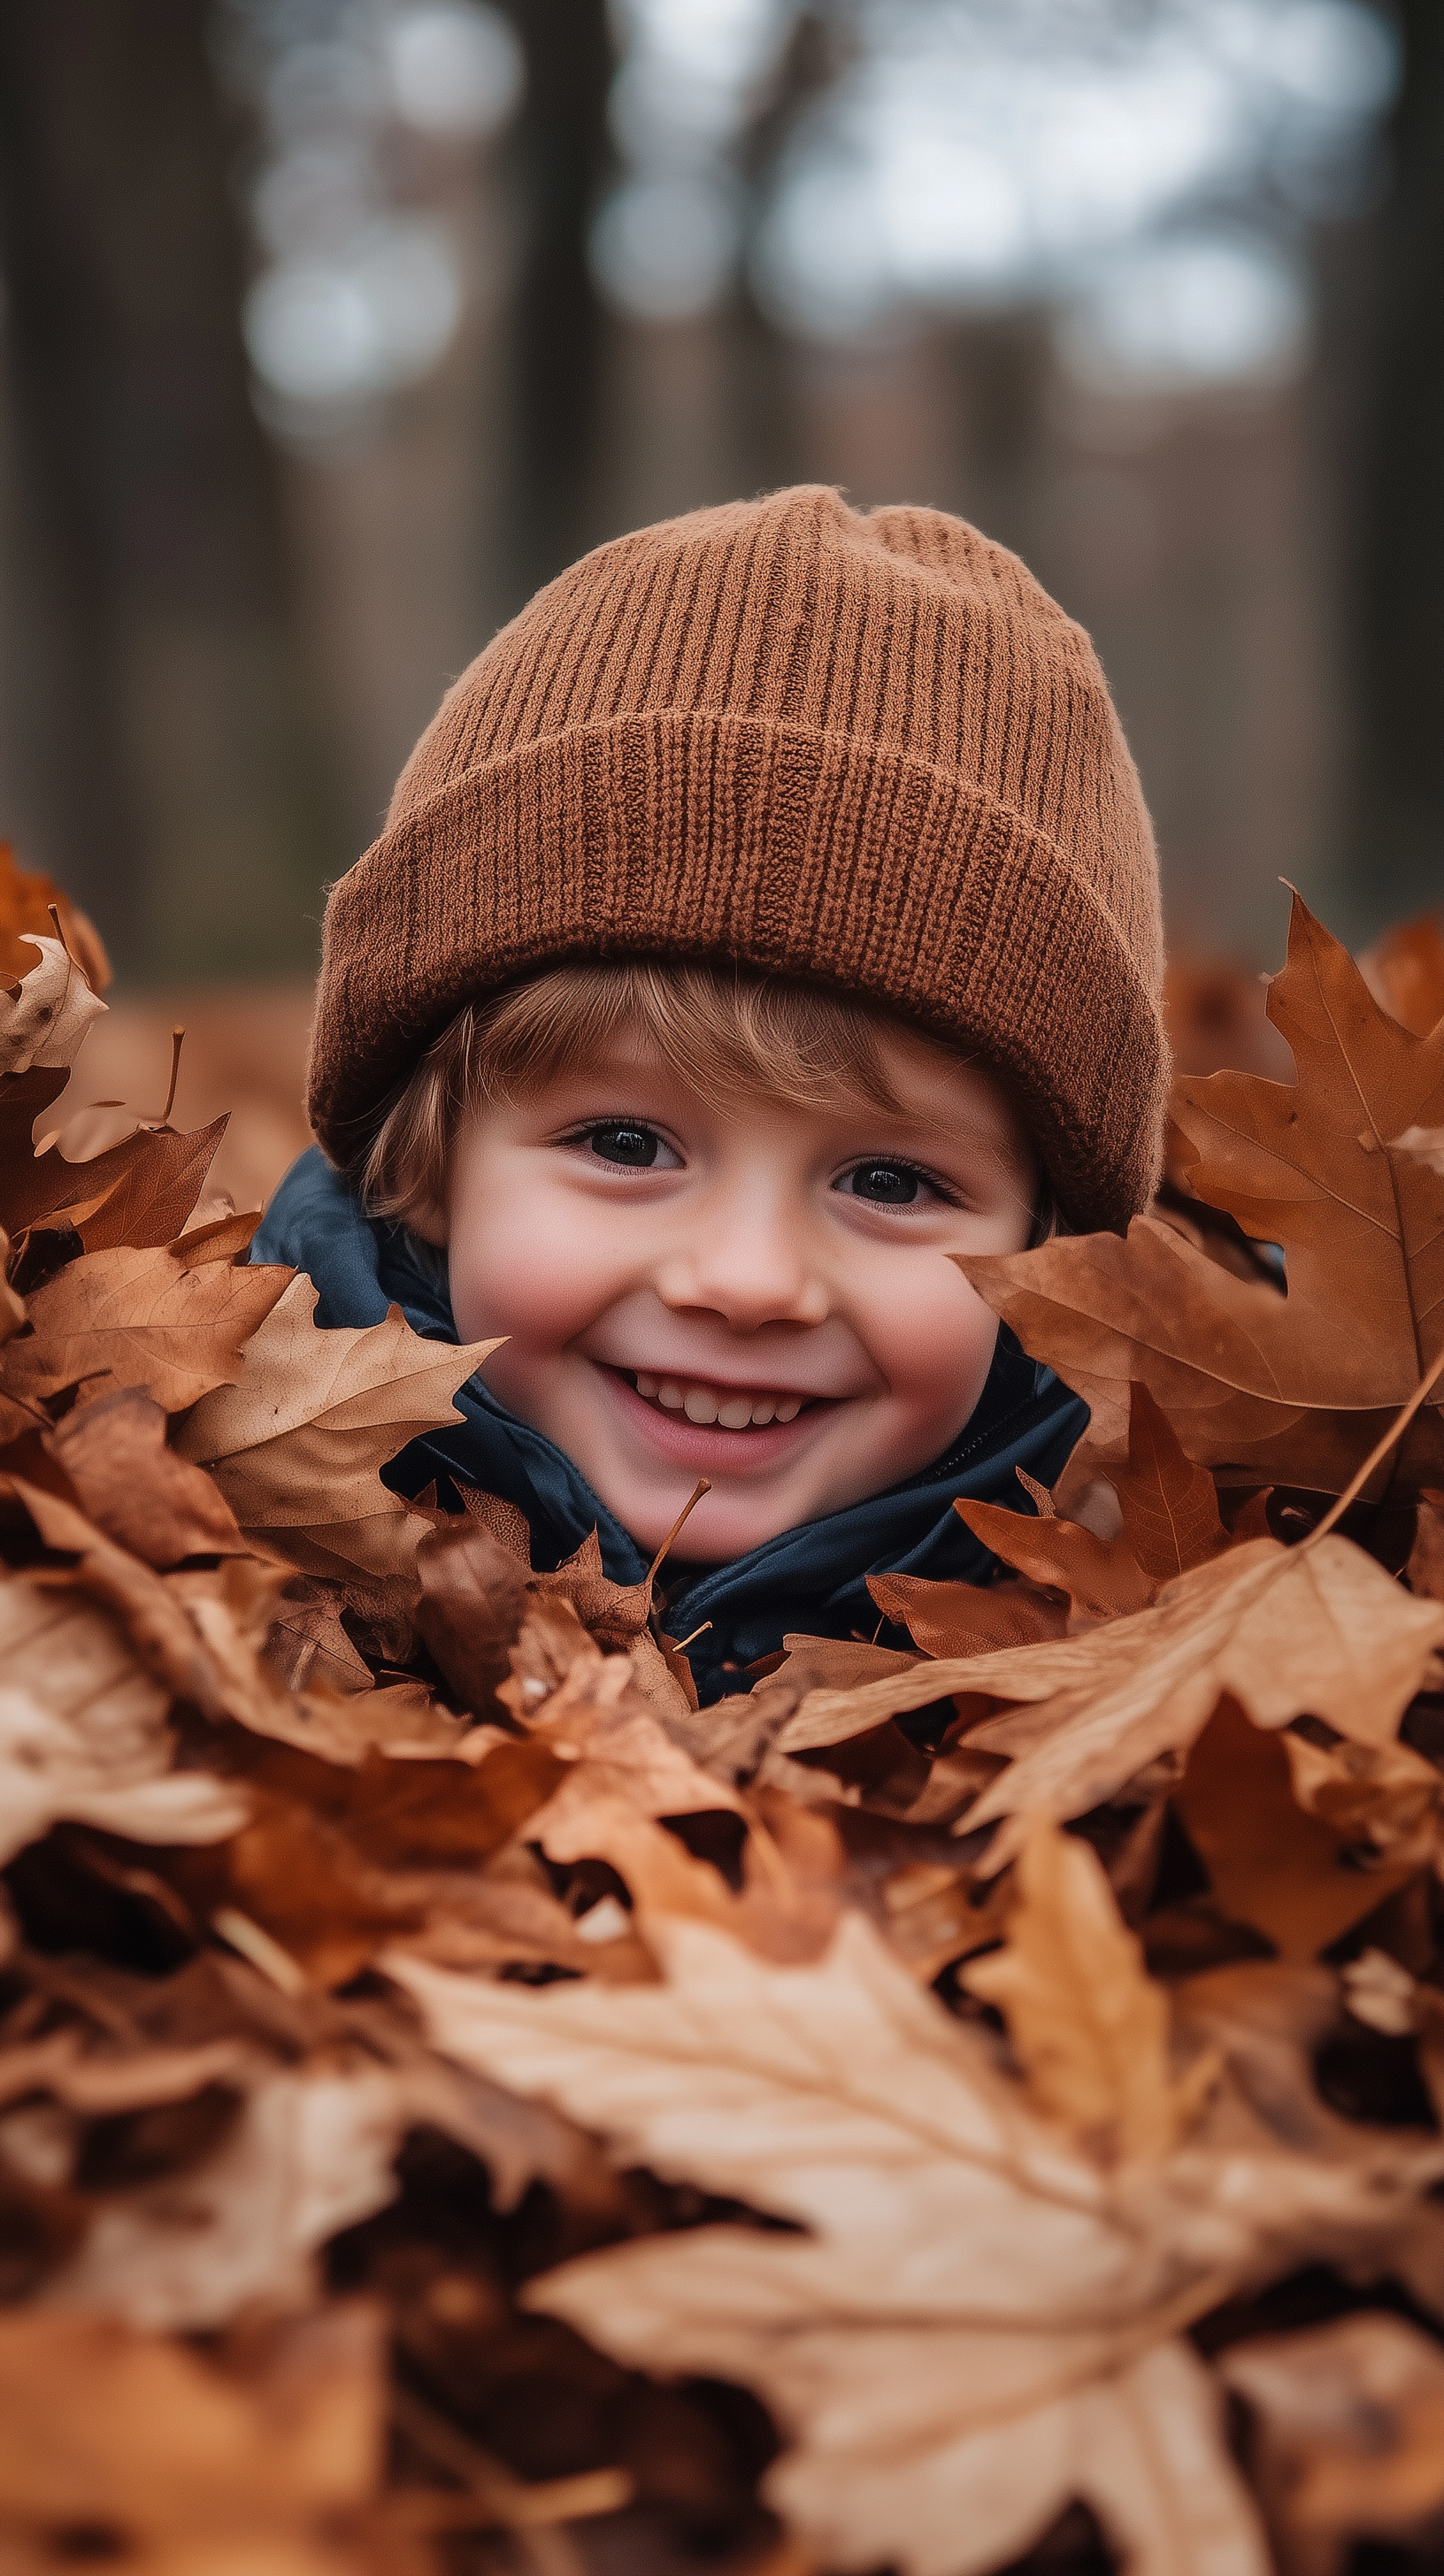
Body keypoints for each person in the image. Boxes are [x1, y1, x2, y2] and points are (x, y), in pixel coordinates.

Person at [255, 485, 1166, 1705]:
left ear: (1048, 1253)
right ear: (428, 1165)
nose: (743, 1283)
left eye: (888, 1181)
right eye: (626, 1143)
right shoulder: (205, 1544)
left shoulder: (1155, 1629)